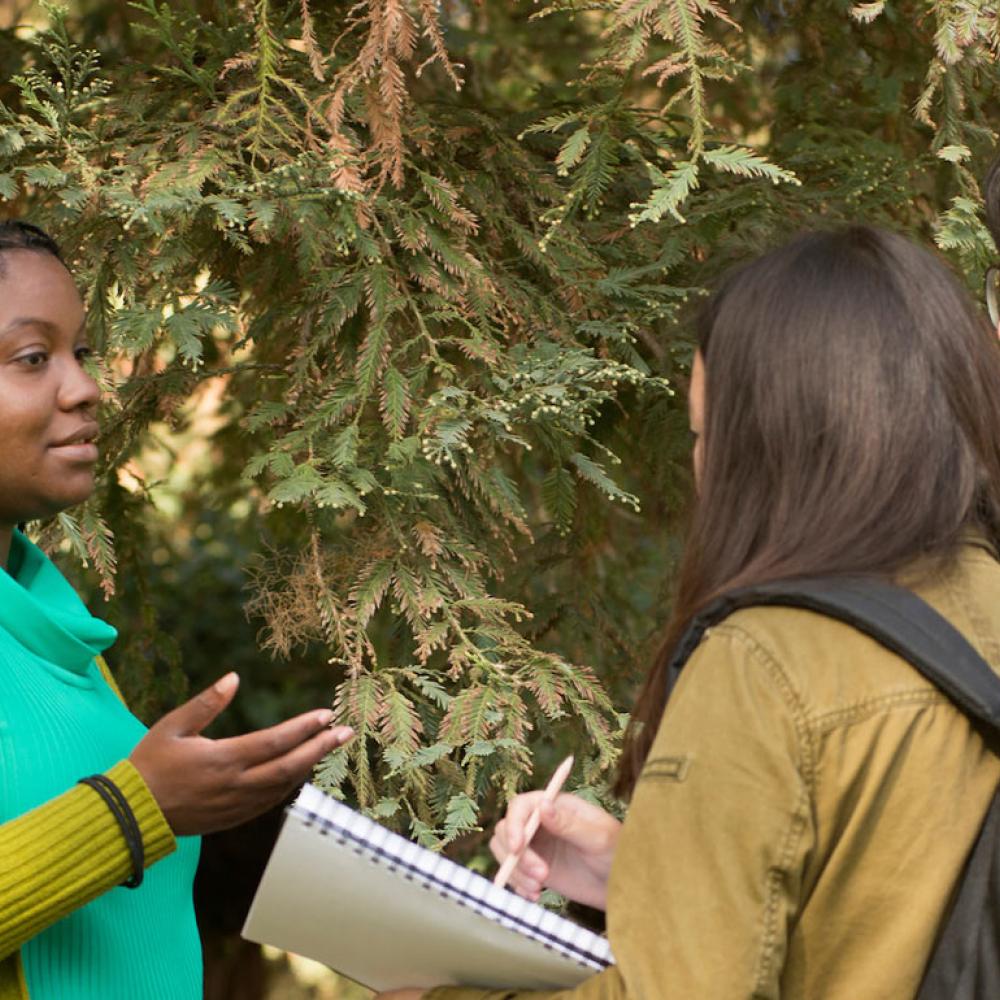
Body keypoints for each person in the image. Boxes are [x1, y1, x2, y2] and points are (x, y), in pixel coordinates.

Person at [378, 225, 1000, 999]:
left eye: (708, 440)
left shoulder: (767, 663)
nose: (702, 471)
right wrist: (648, 870)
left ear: (771, 450)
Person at [0, 219, 354, 1000]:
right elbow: (123, 819)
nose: (85, 387)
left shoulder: (59, 634)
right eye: (33, 357)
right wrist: (131, 813)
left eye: (81, 353)